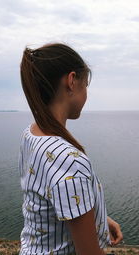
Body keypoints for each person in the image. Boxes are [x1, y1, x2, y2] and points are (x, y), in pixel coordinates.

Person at [18, 42, 123, 255]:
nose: (86, 95)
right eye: (86, 85)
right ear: (72, 81)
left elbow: (51, 202)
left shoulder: (31, 134)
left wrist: (100, 219)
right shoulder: (69, 160)